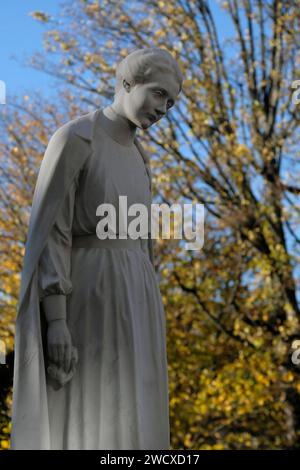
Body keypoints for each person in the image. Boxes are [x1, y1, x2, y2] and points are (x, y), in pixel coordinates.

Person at [10, 47, 183, 450]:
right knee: (90, 409)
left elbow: (143, 243)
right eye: (159, 94)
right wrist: (56, 319)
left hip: (137, 297)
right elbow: (53, 231)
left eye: (171, 102)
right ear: (127, 83)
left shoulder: (142, 160)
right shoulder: (76, 138)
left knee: (135, 416)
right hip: (89, 290)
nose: (164, 108)